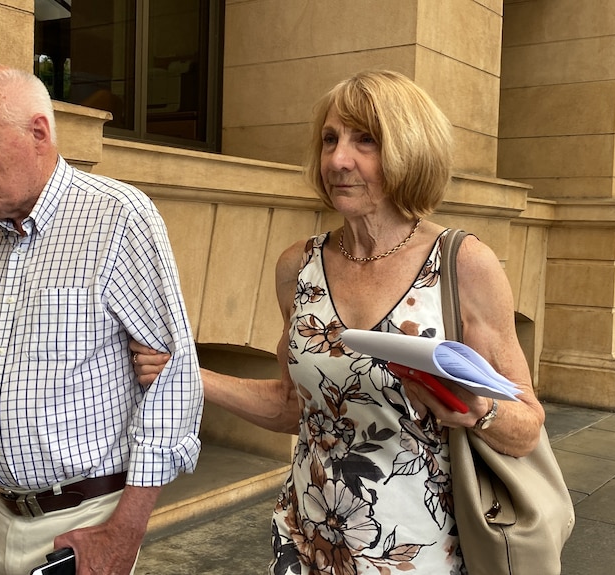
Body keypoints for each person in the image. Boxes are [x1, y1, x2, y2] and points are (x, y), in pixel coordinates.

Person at [131, 69, 544, 574]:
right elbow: (292, 407)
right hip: (306, 538)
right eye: (330, 139)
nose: (337, 159)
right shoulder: (297, 267)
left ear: (410, 150)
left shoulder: (463, 264)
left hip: (417, 551)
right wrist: (188, 374)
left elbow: (526, 427)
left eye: (364, 140)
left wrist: (477, 413)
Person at [0, 65, 203, 575]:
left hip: (84, 525)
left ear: (38, 133)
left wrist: (124, 533)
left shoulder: (118, 218)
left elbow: (173, 389)